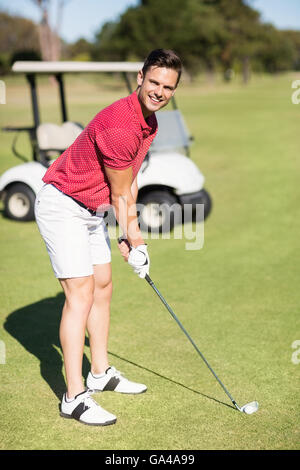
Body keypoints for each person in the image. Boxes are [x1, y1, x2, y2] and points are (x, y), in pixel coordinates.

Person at [35, 49, 182, 426]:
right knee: (80, 293)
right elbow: (120, 194)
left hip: (92, 209)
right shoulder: (120, 124)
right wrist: (136, 239)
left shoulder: (149, 124)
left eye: (167, 87)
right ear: (140, 77)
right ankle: (74, 397)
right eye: (154, 82)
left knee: (103, 285)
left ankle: (98, 373)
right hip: (63, 204)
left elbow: (129, 183)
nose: (159, 92)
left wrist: (129, 236)